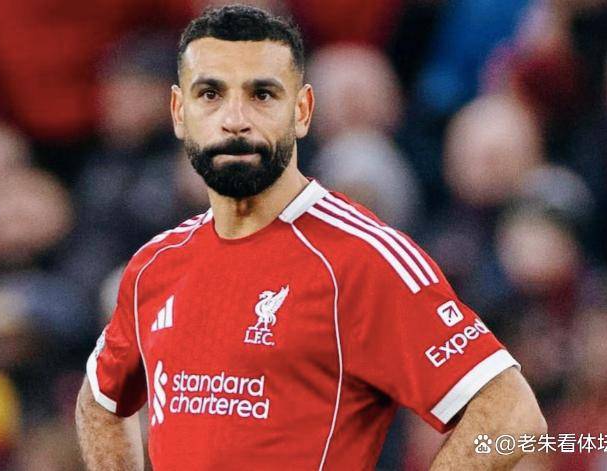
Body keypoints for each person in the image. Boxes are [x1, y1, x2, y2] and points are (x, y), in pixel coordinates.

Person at [75, 5, 546, 470]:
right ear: (180, 113)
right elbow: (99, 401)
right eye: (210, 94)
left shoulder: (362, 259)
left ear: (302, 111)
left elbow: (511, 412)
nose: (234, 118)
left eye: (262, 95)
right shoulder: (155, 264)